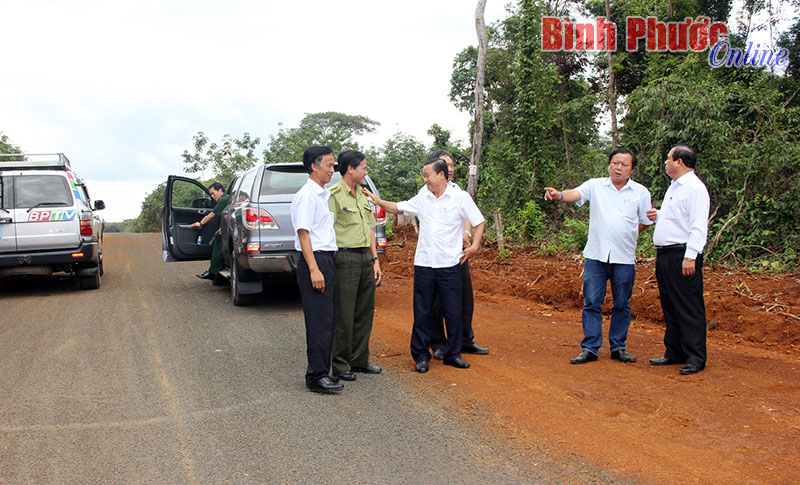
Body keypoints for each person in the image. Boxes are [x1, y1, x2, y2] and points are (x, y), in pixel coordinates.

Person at [366, 158, 485, 373]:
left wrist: (474, 246)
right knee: (423, 311)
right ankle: (421, 356)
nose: (425, 179)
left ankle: (453, 354)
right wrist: (378, 201)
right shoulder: (422, 199)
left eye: (427, 175)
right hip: (425, 265)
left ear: (441, 175)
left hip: (450, 264)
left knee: (453, 311)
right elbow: (398, 208)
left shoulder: (460, 198)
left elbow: (479, 221)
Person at [544, 148, 653, 365]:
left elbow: (645, 220)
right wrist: (560, 195)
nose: (618, 167)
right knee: (592, 301)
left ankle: (618, 347)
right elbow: (576, 193)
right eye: (615, 163)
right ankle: (590, 348)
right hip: (596, 255)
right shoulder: (595, 185)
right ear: (609, 165)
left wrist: (629, 234)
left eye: (623, 164)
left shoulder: (641, 193)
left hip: (624, 258)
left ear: (632, 169)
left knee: (622, 303)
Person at [646, 144, 710, 375]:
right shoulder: (675, 186)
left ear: (680, 162)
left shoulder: (695, 188)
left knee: (688, 305)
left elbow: (697, 225)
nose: (665, 162)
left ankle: (695, 357)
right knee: (670, 304)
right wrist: (659, 215)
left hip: (682, 255)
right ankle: (674, 352)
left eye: (668, 158)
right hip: (665, 255)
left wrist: (690, 256)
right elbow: (678, 217)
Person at [426, 150, 489, 359]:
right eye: (445, 164)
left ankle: (464, 340)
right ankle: (438, 343)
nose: (450, 168)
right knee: (437, 301)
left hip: (458, 253)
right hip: (436, 256)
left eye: (452, 164)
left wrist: (466, 233)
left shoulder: (456, 190)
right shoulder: (427, 191)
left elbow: (469, 214)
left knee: (464, 297)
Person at [291, 146, 343, 393]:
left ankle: (323, 371)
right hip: (316, 260)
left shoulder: (321, 194)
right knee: (318, 321)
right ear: (314, 165)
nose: (333, 170)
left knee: (328, 318)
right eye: (329, 165)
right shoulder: (307, 196)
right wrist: (314, 268)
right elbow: (304, 234)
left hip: (327, 260)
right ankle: (315, 377)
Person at [328, 149, 383, 382]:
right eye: (363, 167)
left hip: (364, 259)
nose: (365, 171)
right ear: (350, 168)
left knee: (364, 311)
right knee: (345, 313)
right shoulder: (334, 195)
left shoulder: (362, 194)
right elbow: (326, 230)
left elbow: (370, 228)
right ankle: (340, 364)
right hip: (345, 258)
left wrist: (375, 259)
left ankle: (359, 360)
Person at [193, 181, 231, 281]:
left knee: (218, 239)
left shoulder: (224, 200)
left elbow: (212, 215)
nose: (212, 196)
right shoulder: (225, 199)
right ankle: (215, 269)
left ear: (220, 190)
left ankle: (213, 271)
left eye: (213, 193)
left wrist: (200, 223)